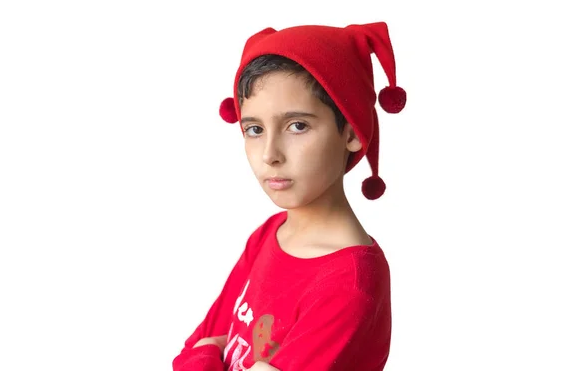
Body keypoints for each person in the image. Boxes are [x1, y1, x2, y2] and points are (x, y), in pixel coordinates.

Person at [172, 21, 406, 371]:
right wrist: (203, 351)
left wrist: (208, 353)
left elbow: (199, 351)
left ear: (352, 131)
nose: (270, 154)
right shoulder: (270, 233)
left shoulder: (350, 284)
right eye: (254, 129)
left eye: (297, 125)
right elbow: (190, 348)